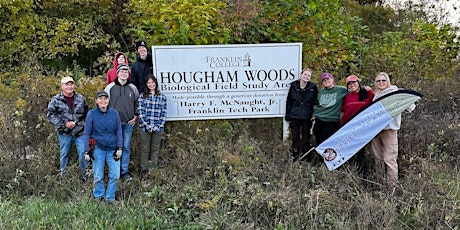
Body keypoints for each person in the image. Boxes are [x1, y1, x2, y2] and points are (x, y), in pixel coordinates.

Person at [370, 72, 415, 186]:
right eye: (378, 81)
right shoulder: (376, 95)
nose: (381, 83)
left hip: (389, 130)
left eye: (383, 81)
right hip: (375, 131)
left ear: (388, 82)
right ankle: (380, 184)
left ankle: (392, 187)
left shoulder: (394, 92)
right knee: (377, 159)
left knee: (390, 159)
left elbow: (410, 107)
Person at [83, 91, 123, 203]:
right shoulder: (91, 114)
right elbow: (86, 133)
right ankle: (98, 197)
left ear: (108, 100)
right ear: (96, 101)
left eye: (105, 99)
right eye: (100, 99)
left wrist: (119, 148)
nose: (103, 101)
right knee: (98, 175)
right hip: (98, 148)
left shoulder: (114, 113)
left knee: (115, 175)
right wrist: (86, 150)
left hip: (113, 148)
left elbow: (119, 131)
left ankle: (110, 198)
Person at [47, 76, 89, 181]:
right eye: (67, 84)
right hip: (64, 133)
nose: (69, 86)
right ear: (62, 86)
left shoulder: (81, 98)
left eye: (71, 84)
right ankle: (63, 177)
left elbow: (87, 114)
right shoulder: (56, 100)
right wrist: (64, 124)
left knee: (84, 153)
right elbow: (50, 115)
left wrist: (84, 126)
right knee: (64, 154)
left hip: (80, 132)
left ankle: (84, 177)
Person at [105, 63, 139, 181]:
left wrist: (135, 116)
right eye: (122, 71)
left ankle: (124, 171)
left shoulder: (133, 88)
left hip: (128, 123)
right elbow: (104, 104)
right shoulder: (110, 88)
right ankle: (115, 171)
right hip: (114, 124)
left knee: (125, 147)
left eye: (126, 72)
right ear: (117, 73)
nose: (124, 73)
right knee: (114, 147)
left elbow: (136, 103)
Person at [341, 74, 375, 174]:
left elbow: (376, 102)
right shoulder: (346, 97)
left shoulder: (367, 94)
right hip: (347, 128)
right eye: (349, 84)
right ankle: (348, 172)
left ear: (358, 83)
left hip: (362, 129)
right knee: (348, 151)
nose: (352, 85)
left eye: (354, 82)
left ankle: (361, 173)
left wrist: (371, 90)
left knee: (360, 152)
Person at [285, 68, 318, 161]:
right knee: (295, 136)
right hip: (294, 115)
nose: (306, 77)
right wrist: (288, 115)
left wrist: (315, 114)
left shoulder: (313, 87)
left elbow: (316, 101)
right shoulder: (294, 86)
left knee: (306, 137)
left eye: (308, 75)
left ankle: (305, 156)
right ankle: (295, 155)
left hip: (307, 116)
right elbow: (289, 101)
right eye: (305, 74)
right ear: (301, 75)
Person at [137, 74, 167, 176]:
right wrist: (148, 126)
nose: (151, 84)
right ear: (146, 84)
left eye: (152, 82)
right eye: (149, 83)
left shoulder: (162, 97)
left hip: (158, 128)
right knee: (145, 149)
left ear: (156, 83)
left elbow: (163, 113)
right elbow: (141, 113)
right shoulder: (142, 96)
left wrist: (157, 127)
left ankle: (153, 169)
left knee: (155, 148)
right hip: (145, 128)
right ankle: (144, 169)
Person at [313, 72, 348, 146]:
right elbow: (317, 104)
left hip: (332, 121)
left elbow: (354, 90)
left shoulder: (341, 90)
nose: (326, 81)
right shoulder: (321, 92)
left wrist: (366, 89)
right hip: (319, 120)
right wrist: (314, 114)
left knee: (329, 143)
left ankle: (329, 157)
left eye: (328, 79)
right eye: (324, 80)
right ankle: (321, 157)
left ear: (332, 79)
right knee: (319, 142)